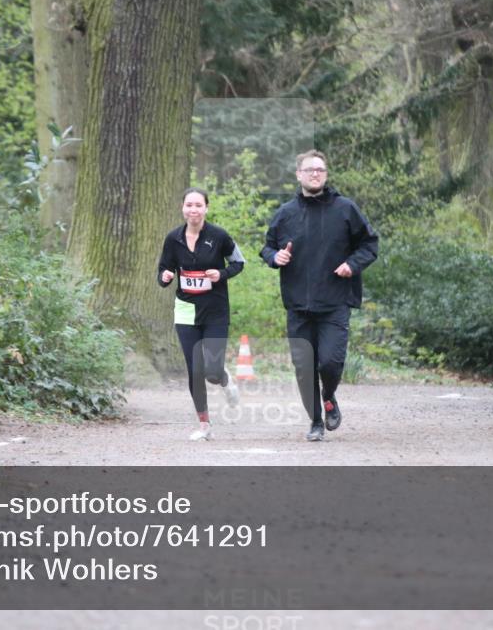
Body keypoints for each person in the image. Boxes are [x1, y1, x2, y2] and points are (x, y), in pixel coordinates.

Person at [260, 150, 379, 441]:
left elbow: (369, 244)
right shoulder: (286, 213)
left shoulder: (345, 209)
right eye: (309, 169)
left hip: (335, 301)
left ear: (325, 175)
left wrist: (352, 265)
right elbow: (267, 247)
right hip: (298, 304)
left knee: (329, 362)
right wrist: (275, 257)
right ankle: (315, 421)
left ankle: (328, 395)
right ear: (298, 174)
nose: (315, 173)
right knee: (304, 368)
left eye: (320, 170)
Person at [158, 187, 245, 441]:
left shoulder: (219, 236)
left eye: (198, 205)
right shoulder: (173, 238)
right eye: (189, 205)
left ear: (206, 208)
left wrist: (222, 274)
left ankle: (224, 378)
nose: (193, 209)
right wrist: (165, 277)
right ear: (182, 208)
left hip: (215, 310)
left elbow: (239, 263)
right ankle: (204, 425)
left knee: (212, 371)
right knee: (195, 369)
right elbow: (163, 270)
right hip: (186, 310)